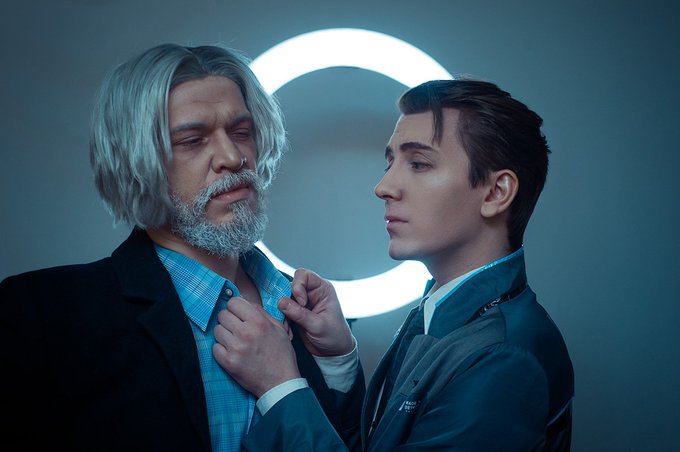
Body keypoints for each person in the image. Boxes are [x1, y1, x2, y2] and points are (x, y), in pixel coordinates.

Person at [0, 43, 364, 451]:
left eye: (242, 133)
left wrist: (339, 362)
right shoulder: (44, 315)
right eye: (192, 140)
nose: (232, 157)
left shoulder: (308, 313)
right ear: (136, 160)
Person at [213, 78, 575, 450]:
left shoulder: (504, 358)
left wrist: (279, 386)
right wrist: (338, 358)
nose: (383, 186)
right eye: (391, 162)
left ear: (496, 193)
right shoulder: (442, 315)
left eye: (419, 164)